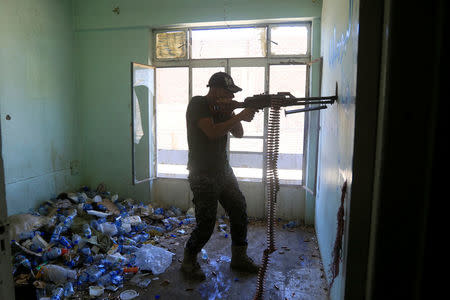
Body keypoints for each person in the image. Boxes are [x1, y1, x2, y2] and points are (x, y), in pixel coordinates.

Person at [181, 72, 260, 280]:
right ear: (214, 90)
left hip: (223, 171)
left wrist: (234, 113)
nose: (230, 97)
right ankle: (188, 260)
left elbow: (239, 133)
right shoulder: (198, 104)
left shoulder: (224, 109)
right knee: (206, 223)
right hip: (202, 173)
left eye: (232, 94)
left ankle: (239, 257)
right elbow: (212, 132)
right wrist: (240, 114)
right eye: (227, 93)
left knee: (239, 209)